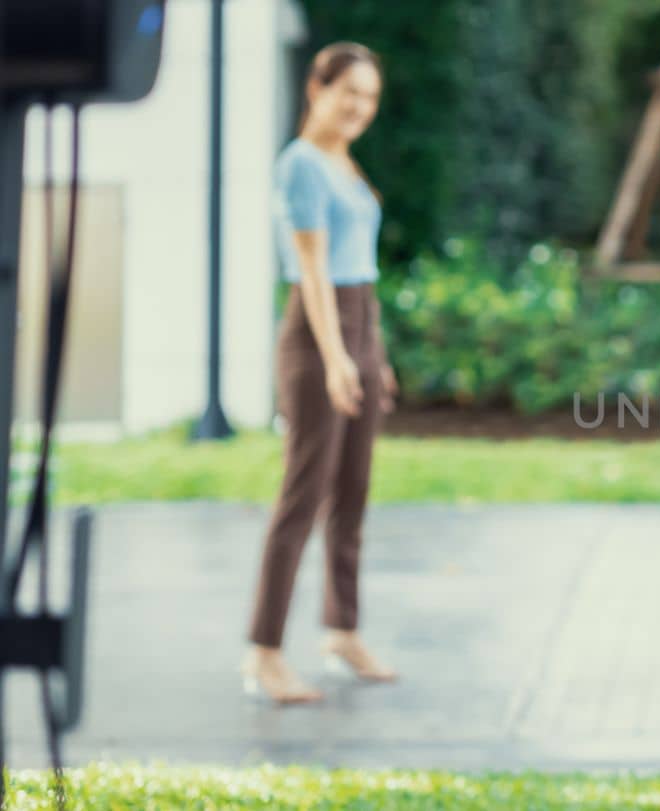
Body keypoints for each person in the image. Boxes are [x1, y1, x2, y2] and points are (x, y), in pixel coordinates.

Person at [242, 42, 399, 704]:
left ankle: (341, 628)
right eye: (348, 95)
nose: (359, 108)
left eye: (368, 98)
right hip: (317, 334)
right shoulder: (301, 164)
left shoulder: (344, 161)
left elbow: (362, 263)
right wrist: (336, 358)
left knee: (353, 491)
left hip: (360, 323)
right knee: (302, 496)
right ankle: (264, 652)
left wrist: (374, 354)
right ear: (317, 88)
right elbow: (313, 270)